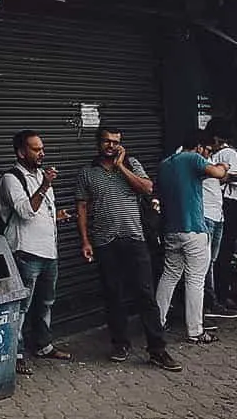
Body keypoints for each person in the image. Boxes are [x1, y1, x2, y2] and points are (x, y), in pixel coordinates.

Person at [76, 128, 181, 372]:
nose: (111, 146)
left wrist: (122, 166)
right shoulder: (86, 172)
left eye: (116, 142)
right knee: (113, 295)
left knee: (146, 294)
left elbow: (147, 188)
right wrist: (85, 241)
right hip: (104, 241)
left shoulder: (132, 164)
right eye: (107, 142)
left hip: (135, 239)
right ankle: (120, 344)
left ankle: (157, 349)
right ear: (98, 143)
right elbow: (81, 207)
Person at [0, 130, 73, 376]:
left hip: (48, 251)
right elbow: (25, 212)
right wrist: (45, 185)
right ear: (21, 152)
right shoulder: (11, 179)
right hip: (25, 251)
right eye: (35, 149)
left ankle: (43, 345)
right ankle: (16, 353)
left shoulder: (41, 175)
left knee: (45, 303)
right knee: (22, 306)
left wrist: (56, 216)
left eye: (42, 148)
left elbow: (41, 210)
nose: (41, 153)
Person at [155, 130, 231, 344]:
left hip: (171, 229)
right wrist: (224, 166)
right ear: (199, 147)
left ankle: (157, 322)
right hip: (194, 228)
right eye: (206, 150)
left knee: (169, 276)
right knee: (195, 279)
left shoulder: (165, 164)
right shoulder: (192, 158)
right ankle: (196, 330)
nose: (207, 154)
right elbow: (216, 173)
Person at [202, 119, 237, 319]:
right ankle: (220, 296)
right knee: (222, 252)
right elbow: (236, 176)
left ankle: (215, 297)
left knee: (213, 255)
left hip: (215, 205)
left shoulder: (209, 155)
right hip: (223, 204)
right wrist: (227, 174)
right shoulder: (227, 153)